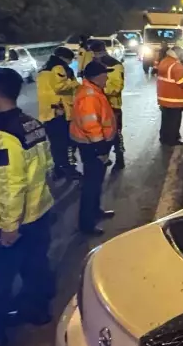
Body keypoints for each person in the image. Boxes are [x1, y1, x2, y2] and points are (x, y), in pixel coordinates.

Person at [0, 68, 56, 341]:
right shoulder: (31, 123)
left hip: (11, 220)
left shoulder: (1, 137)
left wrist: (9, 226)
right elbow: (48, 165)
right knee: (35, 264)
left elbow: (10, 184)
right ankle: (38, 310)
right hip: (39, 210)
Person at [69, 60, 117, 236]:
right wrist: (101, 150)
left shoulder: (93, 91)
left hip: (94, 144)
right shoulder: (89, 95)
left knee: (96, 182)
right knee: (91, 184)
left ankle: (95, 211)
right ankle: (86, 224)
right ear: (97, 77)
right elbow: (91, 126)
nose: (107, 78)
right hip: (92, 146)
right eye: (105, 75)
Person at [36, 46, 80, 180]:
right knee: (67, 143)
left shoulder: (44, 70)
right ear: (64, 58)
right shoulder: (58, 68)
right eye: (69, 60)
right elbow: (60, 87)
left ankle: (58, 169)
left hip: (49, 112)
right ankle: (69, 170)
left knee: (56, 143)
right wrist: (74, 83)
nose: (69, 63)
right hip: (61, 112)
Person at [87, 39, 126, 172]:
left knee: (115, 134)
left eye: (96, 53)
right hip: (96, 105)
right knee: (98, 134)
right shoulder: (92, 64)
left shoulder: (115, 65)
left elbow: (117, 87)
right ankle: (103, 158)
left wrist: (99, 90)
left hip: (112, 107)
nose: (94, 56)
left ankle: (120, 158)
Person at [156, 44, 183, 145]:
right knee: (174, 122)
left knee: (166, 121)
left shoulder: (165, 61)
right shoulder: (176, 65)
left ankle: (164, 138)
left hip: (164, 98)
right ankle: (173, 140)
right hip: (175, 99)